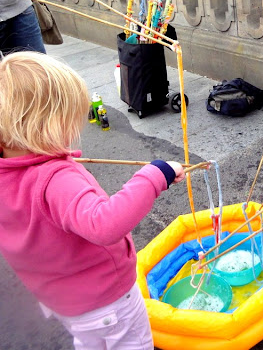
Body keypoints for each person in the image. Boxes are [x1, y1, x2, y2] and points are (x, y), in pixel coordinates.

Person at [0, 51, 186, 349]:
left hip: (65, 303)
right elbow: (104, 223)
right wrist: (155, 175)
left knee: (89, 341)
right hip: (108, 303)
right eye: (69, 120)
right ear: (44, 126)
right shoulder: (54, 179)